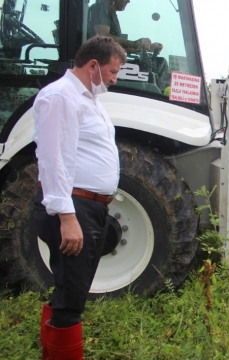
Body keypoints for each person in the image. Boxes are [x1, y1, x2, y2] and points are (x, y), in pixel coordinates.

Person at [34, 35, 125, 360]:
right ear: (92, 65)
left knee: (71, 289)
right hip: (74, 208)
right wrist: (67, 217)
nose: (114, 78)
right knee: (72, 298)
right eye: (112, 71)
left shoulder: (89, 100)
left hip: (89, 207)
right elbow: (53, 159)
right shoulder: (60, 97)